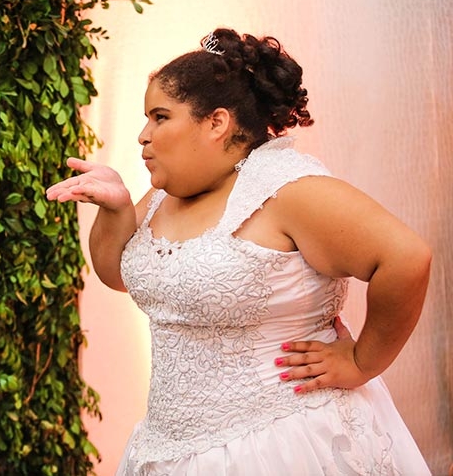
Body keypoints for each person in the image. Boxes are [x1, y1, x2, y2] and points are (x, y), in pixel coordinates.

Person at [46, 28, 432, 475]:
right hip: (170, 448)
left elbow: (406, 258)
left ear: (216, 122)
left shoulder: (287, 188)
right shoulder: (166, 195)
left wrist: (362, 361)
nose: (143, 135)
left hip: (282, 440)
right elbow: (118, 275)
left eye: (159, 117)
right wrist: (115, 209)